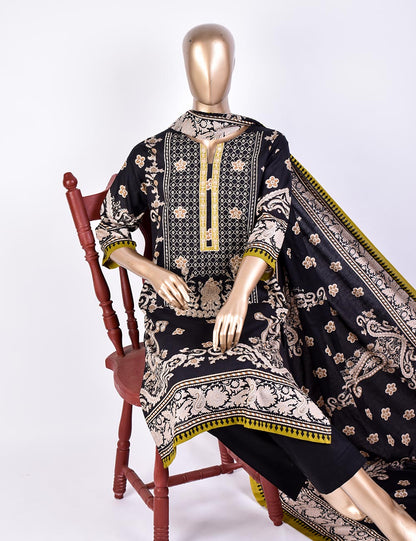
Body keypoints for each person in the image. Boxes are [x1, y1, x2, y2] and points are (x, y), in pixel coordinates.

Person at [95, 24, 416, 540]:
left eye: (218, 60)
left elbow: (272, 221)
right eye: (199, 61)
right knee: (196, 383)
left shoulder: (266, 144)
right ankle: (332, 484)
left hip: (251, 303)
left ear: (233, 66)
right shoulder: (151, 153)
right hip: (173, 314)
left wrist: (240, 296)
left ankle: (382, 510)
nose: (209, 73)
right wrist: (152, 271)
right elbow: (110, 228)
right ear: (185, 69)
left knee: (257, 375)